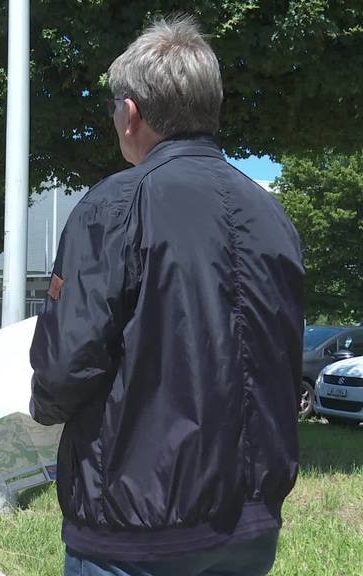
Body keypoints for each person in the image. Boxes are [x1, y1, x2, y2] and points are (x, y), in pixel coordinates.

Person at [30, 14, 304, 576]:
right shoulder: (272, 215)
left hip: (135, 533)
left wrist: (37, 407)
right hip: (248, 525)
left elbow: (65, 365)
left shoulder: (113, 206)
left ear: (130, 113)